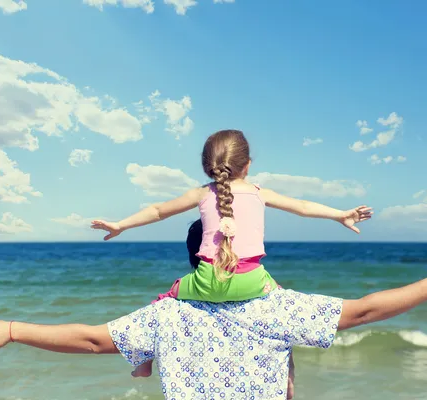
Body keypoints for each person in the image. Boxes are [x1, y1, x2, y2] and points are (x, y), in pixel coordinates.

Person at [0, 260, 427, 400]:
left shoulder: (165, 313)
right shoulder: (275, 307)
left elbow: (95, 340)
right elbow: (363, 312)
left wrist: (13, 328)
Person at [89, 129, 372, 383]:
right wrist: (341, 215)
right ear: (247, 165)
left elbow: (157, 210)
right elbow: (303, 206)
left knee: (162, 304)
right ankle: (286, 378)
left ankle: (144, 365)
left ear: (207, 167)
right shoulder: (260, 193)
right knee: (280, 301)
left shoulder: (201, 193)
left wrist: (120, 225)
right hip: (252, 283)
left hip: (205, 284)